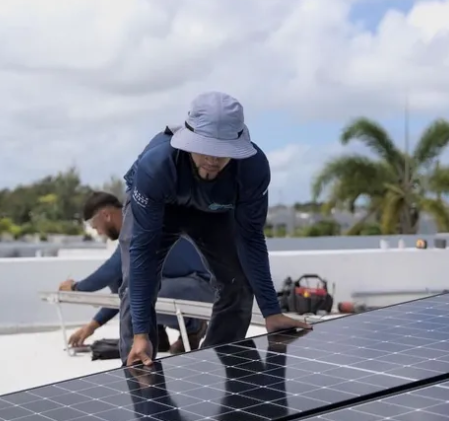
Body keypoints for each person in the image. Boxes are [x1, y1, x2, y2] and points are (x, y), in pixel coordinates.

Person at [120, 91, 310, 366]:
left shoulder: (252, 169)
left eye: (222, 152)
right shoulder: (156, 166)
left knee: (239, 282)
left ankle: (213, 367)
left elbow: (252, 240)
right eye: (205, 148)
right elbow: (143, 253)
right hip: (159, 207)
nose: (212, 159)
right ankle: (140, 364)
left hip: (211, 210)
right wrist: (140, 334)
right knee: (135, 286)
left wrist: (271, 311)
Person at [58, 191, 215, 354]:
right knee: (122, 280)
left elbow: (111, 271)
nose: (98, 233)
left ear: (106, 215)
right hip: (180, 281)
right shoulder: (131, 228)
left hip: (203, 283)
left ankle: (194, 327)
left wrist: (77, 287)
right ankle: (157, 334)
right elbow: (122, 294)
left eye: (96, 227)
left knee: (137, 290)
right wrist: (91, 326)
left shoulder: (137, 221)